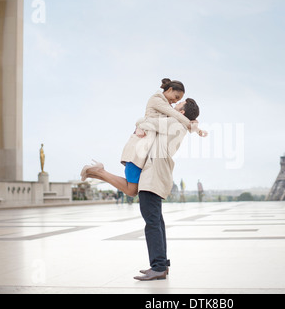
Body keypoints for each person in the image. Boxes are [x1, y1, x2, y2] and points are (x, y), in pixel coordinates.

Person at [81, 98, 203, 281]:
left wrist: (141, 123)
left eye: (179, 105)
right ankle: (161, 265)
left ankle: (159, 267)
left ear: (183, 112)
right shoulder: (180, 125)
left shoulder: (174, 122)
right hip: (155, 174)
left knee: (152, 223)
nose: (174, 107)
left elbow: (147, 122)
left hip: (153, 175)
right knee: (157, 222)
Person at [81, 79, 207, 197]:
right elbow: (175, 115)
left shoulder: (165, 105)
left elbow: (171, 119)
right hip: (138, 148)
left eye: (179, 100)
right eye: (176, 98)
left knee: (132, 190)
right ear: (169, 90)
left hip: (143, 149)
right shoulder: (157, 99)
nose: (175, 101)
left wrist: (193, 124)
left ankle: (96, 172)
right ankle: (99, 171)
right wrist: (194, 127)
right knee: (132, 190)